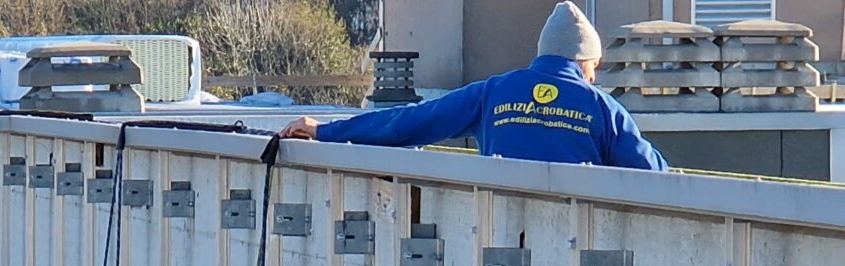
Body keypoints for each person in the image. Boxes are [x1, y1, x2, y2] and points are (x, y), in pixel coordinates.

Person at [279, 2, 666, 172]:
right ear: (582, 61)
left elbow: (409, 124)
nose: (595, 77)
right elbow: (652, 173)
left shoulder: (494, 92)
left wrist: (326, 131)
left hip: (499, 234)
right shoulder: (603, 108)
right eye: (594, 66)